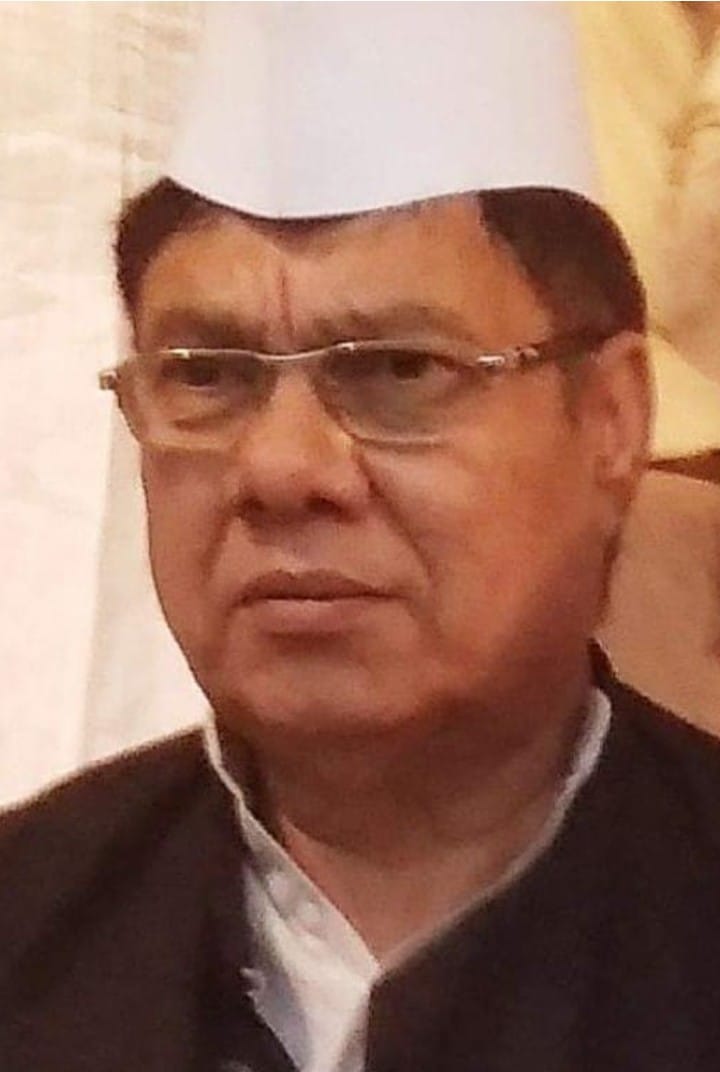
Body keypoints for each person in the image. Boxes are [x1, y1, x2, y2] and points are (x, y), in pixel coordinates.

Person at [2, 6, 720, 1071]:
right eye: (206, 374)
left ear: (611, 420)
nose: (281, 469)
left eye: (397, 369)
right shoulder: (28, 922)